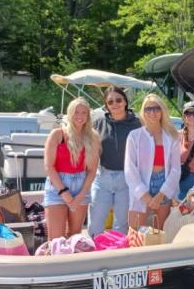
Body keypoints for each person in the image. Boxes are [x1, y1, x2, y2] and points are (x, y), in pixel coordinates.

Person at [43, 97, 100, 240]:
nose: (80, 116)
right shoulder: (57, 135)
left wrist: (79, 197)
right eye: (76, 112)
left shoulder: (93, 137)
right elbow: (49, 167)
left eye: (84, 113)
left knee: (74, 236)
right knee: (56, 240)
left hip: (82, 187)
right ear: (69, 114)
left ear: (88, 116)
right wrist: (64, 193)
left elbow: (92, 171)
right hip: (57, 187)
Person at [88, 86, 142, 236]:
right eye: (110, 102)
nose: (115, 104)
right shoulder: (98, 123)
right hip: (102, 178)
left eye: (118, 100)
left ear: (125, 101)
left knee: (121, 224)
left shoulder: (138, 123)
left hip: (127, 179)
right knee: (95, 223)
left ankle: (118, 254)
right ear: (106, 105)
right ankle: (95, 255)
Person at [125, 94, 181, 230]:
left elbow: (175, 169)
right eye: (148, 109)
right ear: (143, 112)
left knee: (160, 232)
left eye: (156, 108)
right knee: (136, 231)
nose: (152, 112)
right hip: (141, 183)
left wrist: (161, 194)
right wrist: (144, 195)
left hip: (164, 184)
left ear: (162, 111)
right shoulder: (134, 136)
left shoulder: (172, 136)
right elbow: (129, 168)